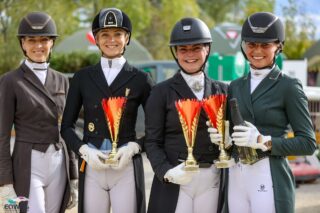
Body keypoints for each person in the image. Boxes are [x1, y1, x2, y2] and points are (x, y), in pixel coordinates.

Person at [209, 12, 317, 213]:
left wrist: (263, 141)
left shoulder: (289, 86)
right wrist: (223, 139)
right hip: (237, 176)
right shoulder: (235, 86)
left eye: (265, 45)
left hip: (268, 174)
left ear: (278, 46)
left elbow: (308, 143)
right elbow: (231, 134)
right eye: (251, 44)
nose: (257, 51)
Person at [60, 7, 153, 213]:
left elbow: (157, 125)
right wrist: (82, 150)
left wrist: (136, 147)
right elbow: (66, 126)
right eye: (105, 35)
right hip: (93, 164)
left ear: (127, 38)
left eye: (118, 34)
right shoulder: (82, 78)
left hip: (125, 165)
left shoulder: (141, 79)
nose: (112, 40)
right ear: (96, 38)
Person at [145, 17, 228, 213]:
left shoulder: (223, 91)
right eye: (183, 49)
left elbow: (232, 135)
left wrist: (229, 141)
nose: (189, 54)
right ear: (175, 53)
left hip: (212, 178)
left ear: (207, 49)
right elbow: (152, 141)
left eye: (196, 48)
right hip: (177, 176)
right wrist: (166, 172)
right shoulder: (160, 92)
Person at [0, 12, 78, 213]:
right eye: (31, 40)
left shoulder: (62, 80)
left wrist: (74, 175)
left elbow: (67, 129)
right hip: (29, 162)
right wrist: (5, 182)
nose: (38, 46)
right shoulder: (11, 81)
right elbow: (2, 135)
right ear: (23, 44)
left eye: (44, 40)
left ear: (51, 43)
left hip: (59, 162)